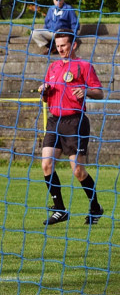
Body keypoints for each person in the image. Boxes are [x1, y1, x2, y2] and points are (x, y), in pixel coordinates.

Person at [37, 32, 104, 226]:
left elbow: (99, 92)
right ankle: (60, 209)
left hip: (75, 121)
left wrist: (86, 91)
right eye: (58, 46)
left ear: (73, 45)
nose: (60, 49)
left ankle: (95, 208)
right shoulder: (53, 67)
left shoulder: (84, 66)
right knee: (46, 164)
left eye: (64, 45)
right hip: (54, 121)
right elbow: (47, 96)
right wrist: (44, 91)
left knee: (78, 171)